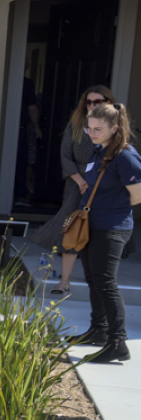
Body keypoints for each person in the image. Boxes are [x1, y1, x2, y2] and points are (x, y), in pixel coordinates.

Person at [70, 102, 141, 363]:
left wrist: (115, 213)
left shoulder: (125, 155)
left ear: (114, 127)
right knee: (93, 279)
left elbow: (138, 195)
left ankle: (117, 342)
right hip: (93, 225)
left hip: (112, 228)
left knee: (106, 283)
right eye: (89, 128)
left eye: (98, 129)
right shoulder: (100, 152)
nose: (92, 133)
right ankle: (98, 331)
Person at [31, 86, 115, 294]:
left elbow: (118, 158)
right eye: (89, 102)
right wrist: (79, 180)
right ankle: (64, 281)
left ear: (108, 103)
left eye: (98, 102)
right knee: (71, 230)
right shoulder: (76, 124)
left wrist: (99, 181)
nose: (92, 106)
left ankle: (100, 280)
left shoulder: (115, 128)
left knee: (99, 233)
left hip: (104, 188)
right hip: (76, 185)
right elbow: (65, 156)